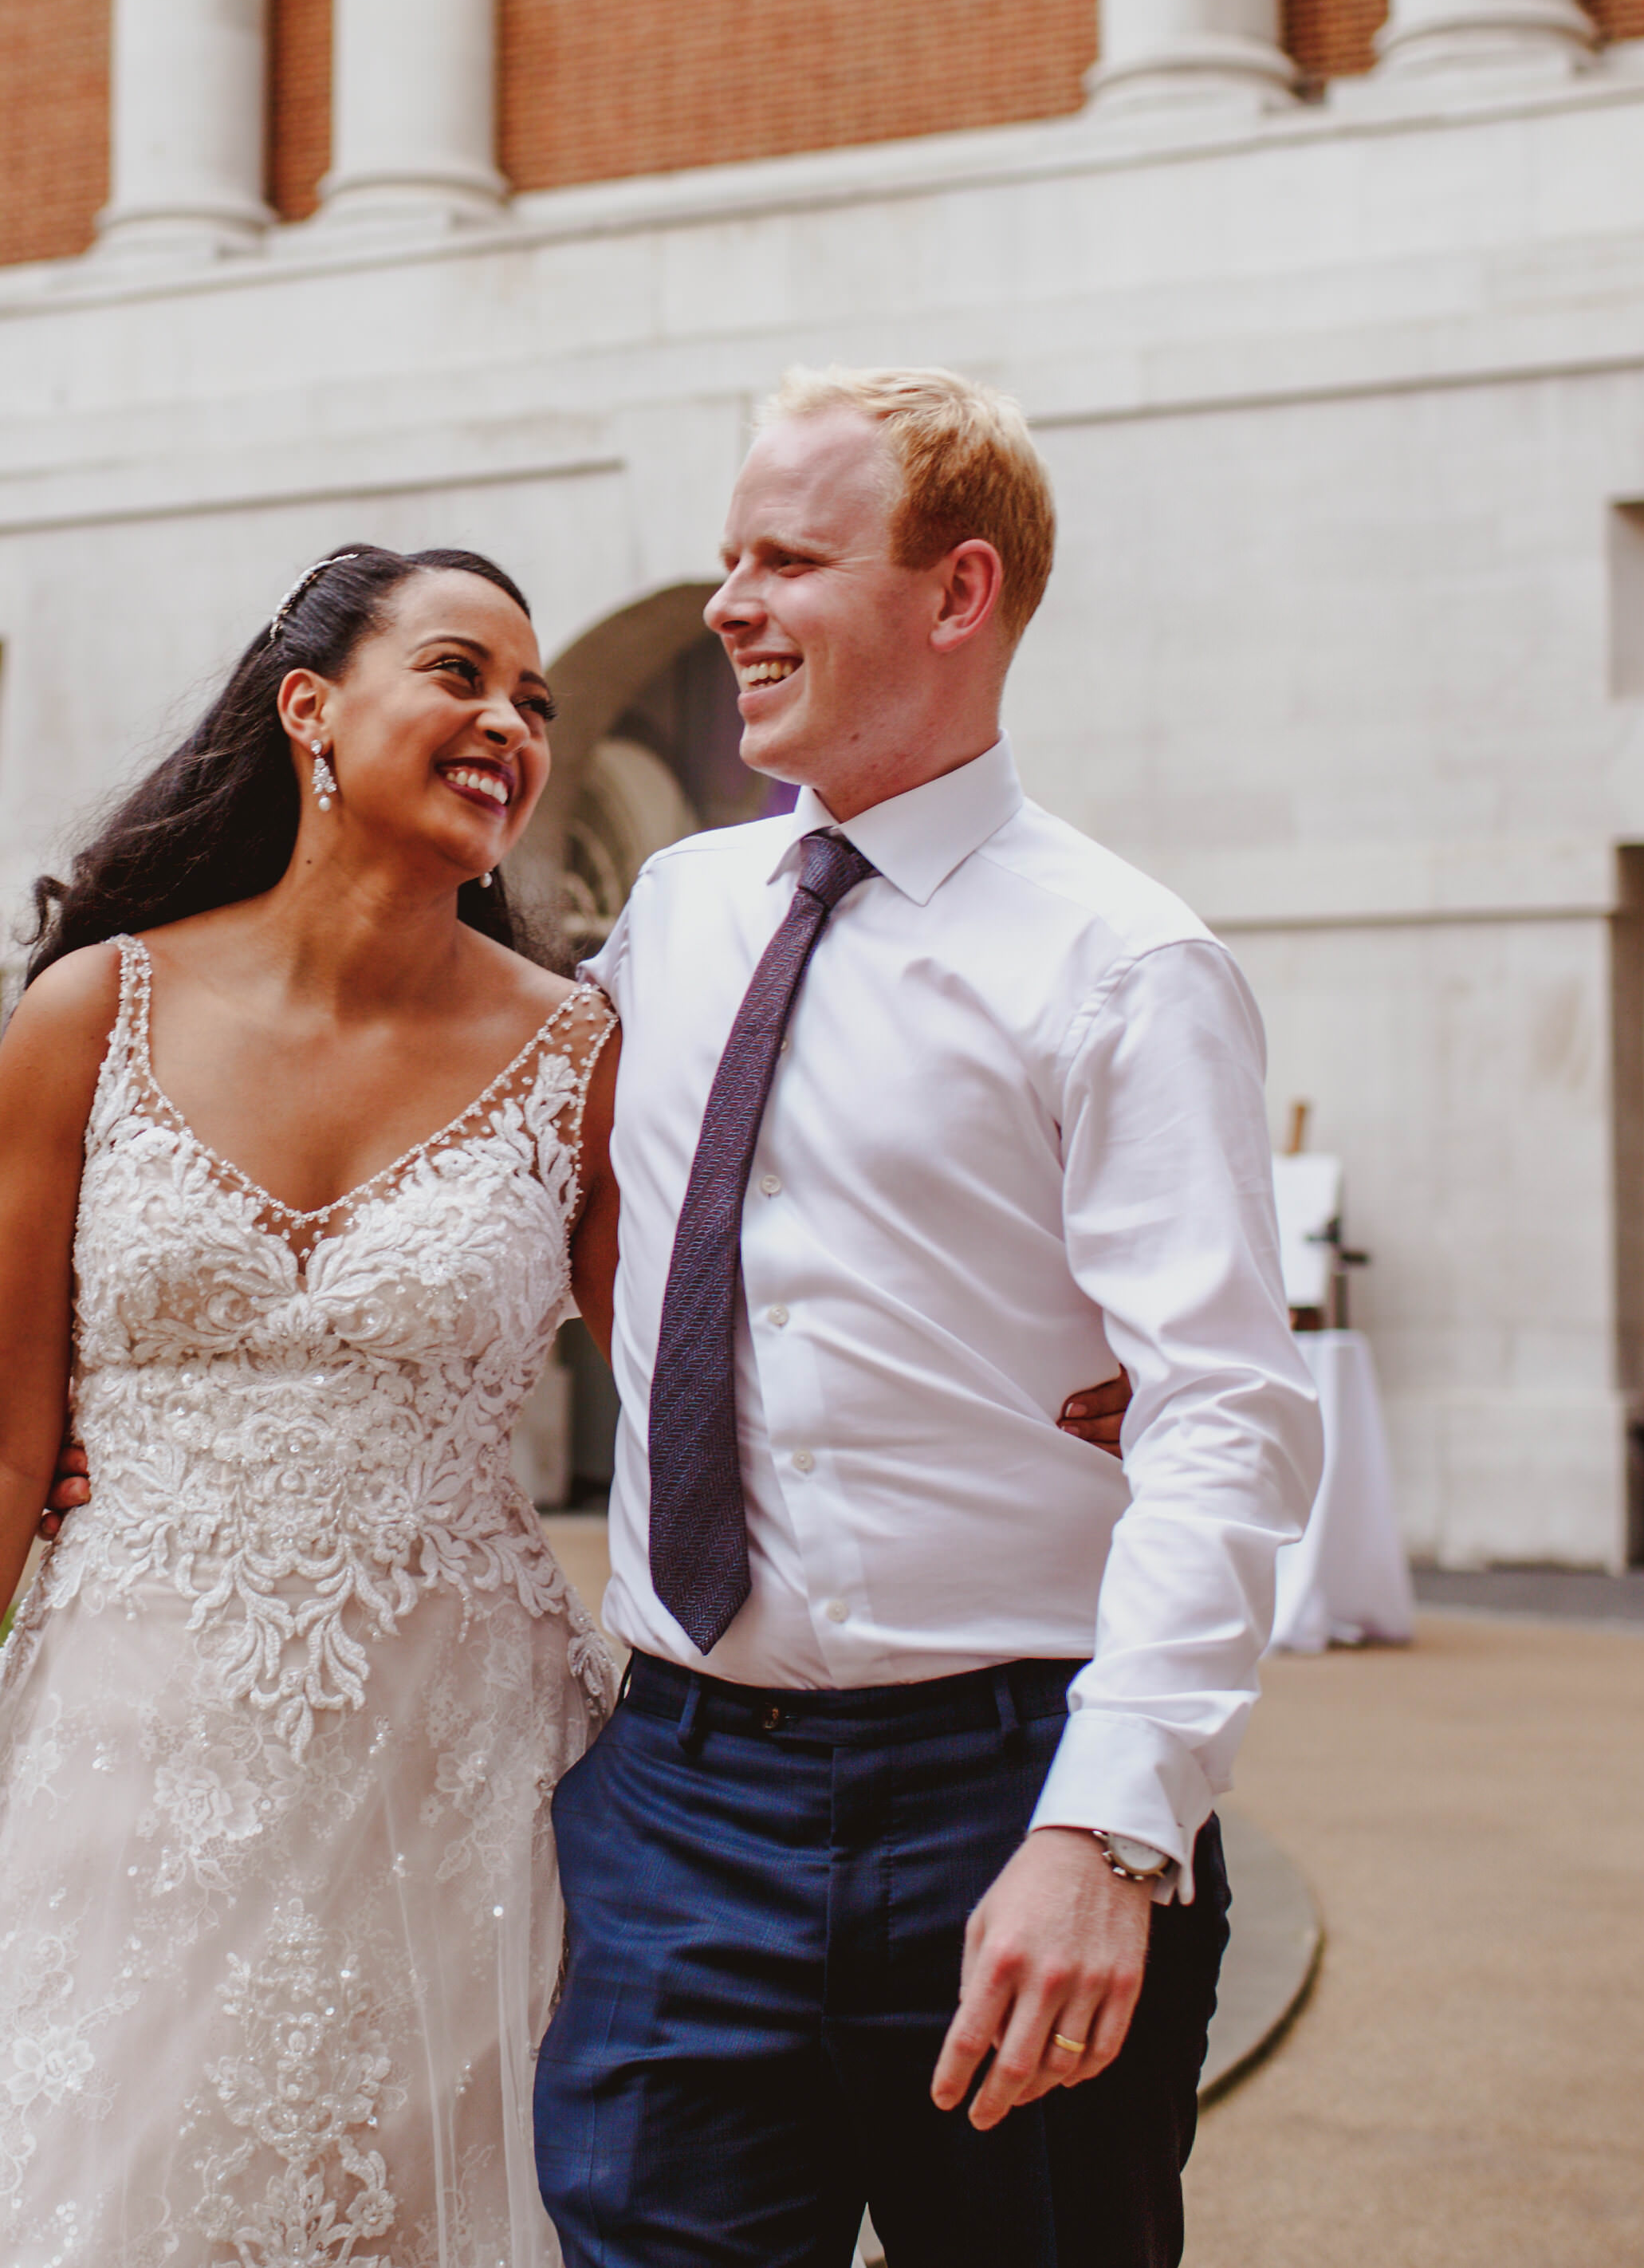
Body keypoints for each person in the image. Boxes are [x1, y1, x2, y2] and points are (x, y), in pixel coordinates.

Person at [537, 368, 1321, 2268]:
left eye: (785, 557)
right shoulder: (670, 908)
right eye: (725, 556)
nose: (728, 601)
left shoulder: (1125, 963)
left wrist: (1104, 1826)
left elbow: (1227, 1409)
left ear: (957, 594)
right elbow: (539, 1207)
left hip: (1009, 1777)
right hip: (677, 1794)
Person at [0, 543, 620, 2265]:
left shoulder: (580, 1056)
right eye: (462, 673)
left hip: (457, 1780)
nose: (508, 723)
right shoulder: (89, 1012)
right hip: (122, 1754)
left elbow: (708, 1396)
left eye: (535, 704)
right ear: (310, 707)